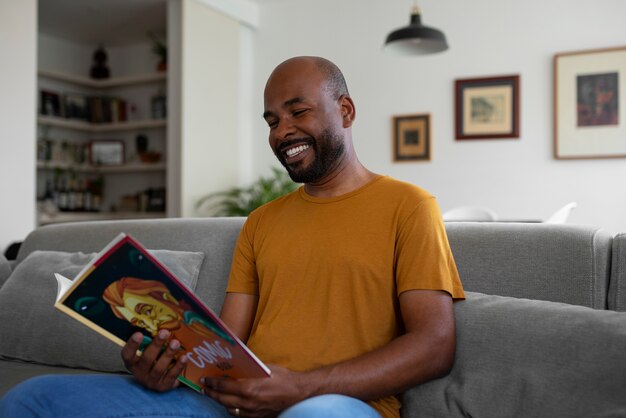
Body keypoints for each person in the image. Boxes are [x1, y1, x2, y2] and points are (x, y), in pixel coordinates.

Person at [0, 56, 464, 418]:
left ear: (345, 110)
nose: (282, 131)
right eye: (271, 121)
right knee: (34, 401)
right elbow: (222, 348)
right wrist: (167, 368)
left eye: (297, 111)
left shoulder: (410, 206)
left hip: (339, 405)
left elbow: (434, 346)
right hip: (232, 403)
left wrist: (299, 387)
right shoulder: (260, 222)